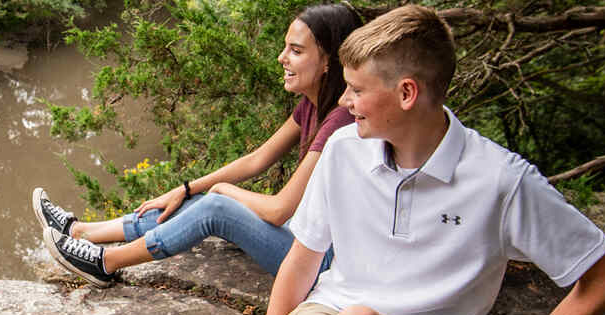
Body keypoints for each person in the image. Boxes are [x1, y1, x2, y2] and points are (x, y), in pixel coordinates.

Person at [225, 5, 605, 315]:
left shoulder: (500, 179)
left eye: (358, 89)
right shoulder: (343, 149)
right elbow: (300, 264)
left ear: (407, 93)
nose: (344, 101)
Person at [32, 3, 361, 287]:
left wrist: (221, 189)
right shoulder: (314, 105)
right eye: (286, 47)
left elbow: (278, 210)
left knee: (215, 207)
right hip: (304, 239)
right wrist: (187, 188)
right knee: (197, 200)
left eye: (296, 51)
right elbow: (258, 158)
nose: (281, 58)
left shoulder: (340, 121)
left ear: (329, 61)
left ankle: (106, 262)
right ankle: (79, 232)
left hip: (320, 263)